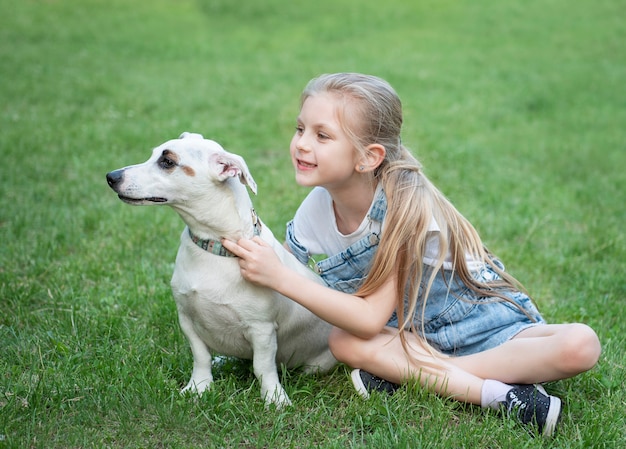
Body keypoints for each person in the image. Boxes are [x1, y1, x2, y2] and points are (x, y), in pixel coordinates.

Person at [221, 73, 601, 437]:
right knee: (342, 342)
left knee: (581, 345)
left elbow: (368, 318)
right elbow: (289, 289)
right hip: (409, 336)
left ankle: (427, 377)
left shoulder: (405, 208)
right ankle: (495, 394)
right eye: (300, 128)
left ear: (368, 158)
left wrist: (281, 277)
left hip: (482, 323)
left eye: (322, 135)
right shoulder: (315, 210)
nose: (302, 143)